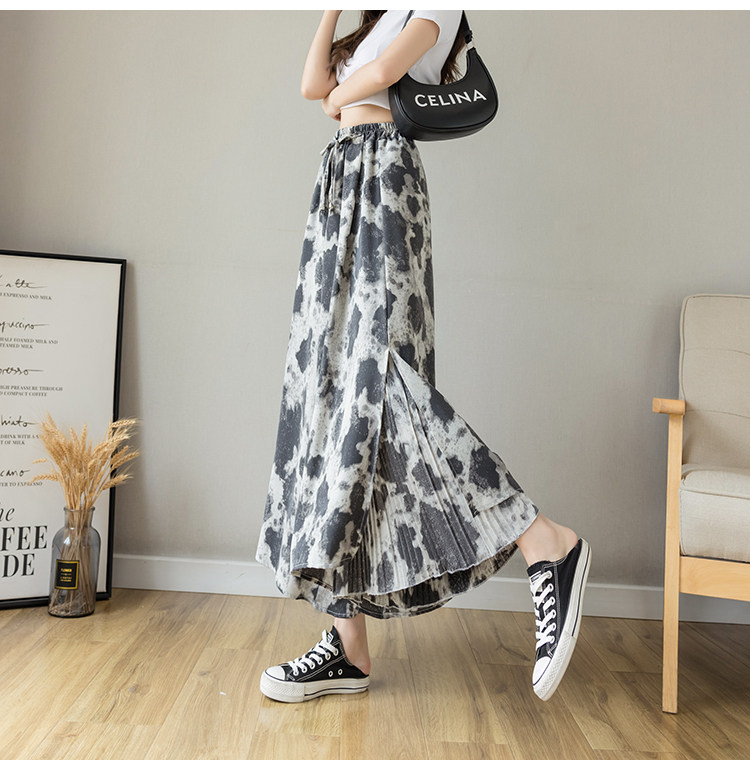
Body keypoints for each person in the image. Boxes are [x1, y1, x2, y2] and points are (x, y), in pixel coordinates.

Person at [256, 9, 591, 705]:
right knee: (329, 394)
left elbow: (377, 77)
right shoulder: (373, 18)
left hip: (385, 175)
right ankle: (347, 647)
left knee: (384, 380)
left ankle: (544, 539)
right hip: (340, 176)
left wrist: (340, 97)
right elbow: (314, 86)